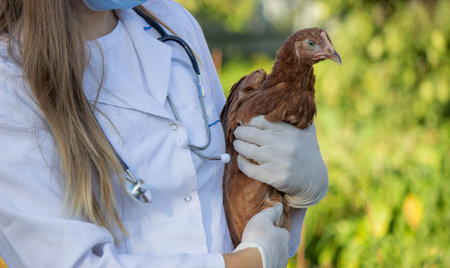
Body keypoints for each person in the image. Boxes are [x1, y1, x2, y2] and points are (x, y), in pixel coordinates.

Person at [0, 0, 329, 267]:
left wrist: (294, 191)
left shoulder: (172, 22)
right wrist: (246, 263)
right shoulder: (10, 82)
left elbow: (220, 179)